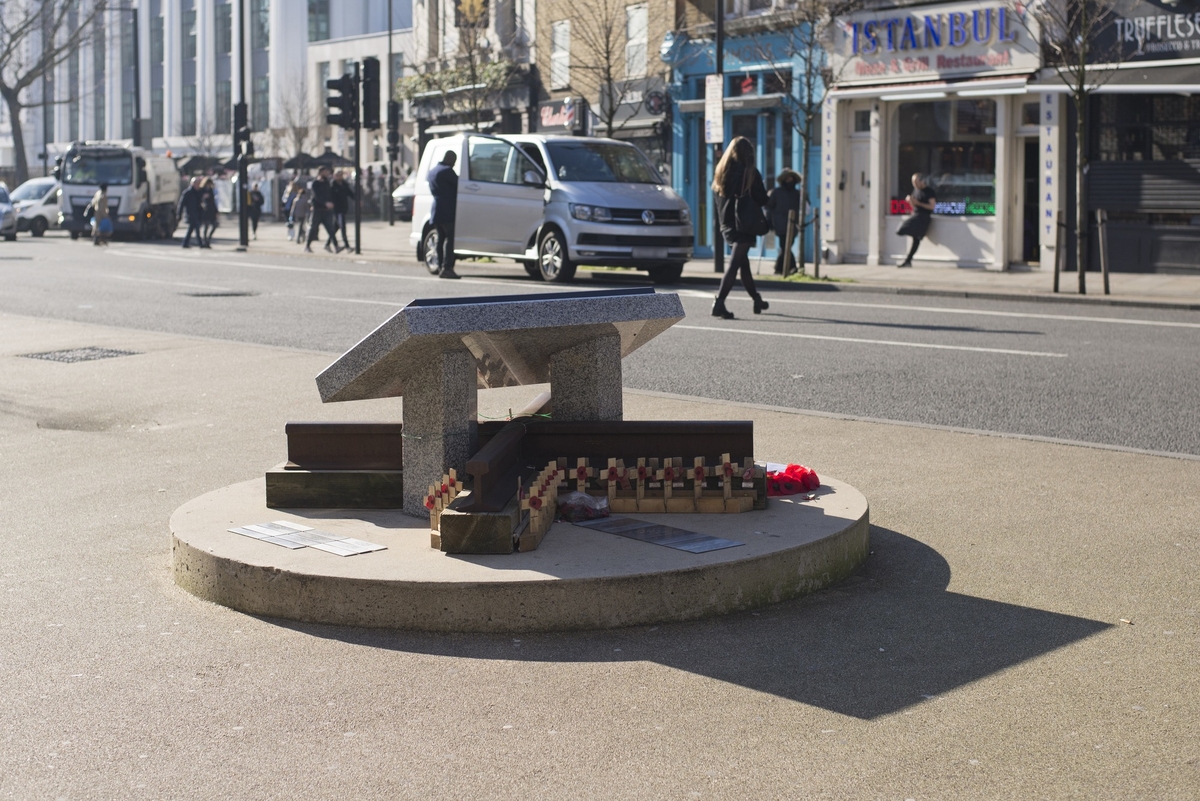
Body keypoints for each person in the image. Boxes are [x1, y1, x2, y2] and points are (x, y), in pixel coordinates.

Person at [711, 136, 770, 319]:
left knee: (744, 264)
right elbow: (762, 199)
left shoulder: (721, 171)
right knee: (735, 265)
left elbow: (717, 198)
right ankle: (719, 303)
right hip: (743, 225)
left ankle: (756, 299)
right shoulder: (750, 172)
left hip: (726, 224)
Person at [427, 151, 460, 279]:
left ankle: (440, 266)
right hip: (447, 209)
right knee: (449, 239)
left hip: (436, 209)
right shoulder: (447, 171)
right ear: (451, 159)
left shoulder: (433, 171)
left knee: (440, 239)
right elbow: (459, 185)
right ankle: (447, 268)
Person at [765, 169, 801, 275]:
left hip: (793, 224)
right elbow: (769, 207)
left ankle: (779, 268)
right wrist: (769, 220)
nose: (789, 180)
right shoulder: (776, 192)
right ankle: (792, 267)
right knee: (784, 245)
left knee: (787, 246)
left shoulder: (797, 193)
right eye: (787, 178)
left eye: (791, 178)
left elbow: (804, 207)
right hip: (780, 223)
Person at [899, 172, 936, 268]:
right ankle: (908, 260)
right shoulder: (915, 190)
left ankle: (908, 260)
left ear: (922, 181)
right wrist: (911, 202)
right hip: (916, 215)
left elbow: (932, 206)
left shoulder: (929, 191)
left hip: (923, 217)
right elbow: (914, 205)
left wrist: (918, 203)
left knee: (915, 239)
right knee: (901, 231)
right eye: (913, 182)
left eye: (916, 182)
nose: (914, 184)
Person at [305, 167, 337, 253]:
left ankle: (335, 246)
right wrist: (325, 203)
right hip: (317, 209)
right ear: (320, 172)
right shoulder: (315, 183)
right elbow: (317, 196)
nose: (327, 174)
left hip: (326, 210)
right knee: (313, 228)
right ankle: (307, 246)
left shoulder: (327, 183)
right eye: (325, 172)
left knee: (330, 228)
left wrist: (331, 202)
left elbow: (330, 194)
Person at [178, 177, 204, 248]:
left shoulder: (199, 192)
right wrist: (179, 214)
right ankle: (200, 243)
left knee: (192, 229)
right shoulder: (187, 192)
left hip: (197, 213)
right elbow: (181, 204)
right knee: (196, 229)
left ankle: (186, 243)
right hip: (190, 213)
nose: (198, 185)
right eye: (197, 183)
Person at [331, 170, 351, 252]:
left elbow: (350, 193)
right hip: (337, 209)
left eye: (341, 175)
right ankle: (347, 246)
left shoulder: (344, 184)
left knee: (336, 227)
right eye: (338, 175)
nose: (340, 177)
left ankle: (327, 244)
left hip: (343, 208)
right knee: (342, 227)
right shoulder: (332, 185)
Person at [199, 177, 217, 248]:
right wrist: (203, 197)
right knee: (206, 226)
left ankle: (208, 239)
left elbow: (213, 201)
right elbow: (199, 199)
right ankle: (205, 240)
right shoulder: (202, 190)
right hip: (205, 210)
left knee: (214, 225)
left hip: (211, 210)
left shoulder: (211, 190)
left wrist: (216, 211)